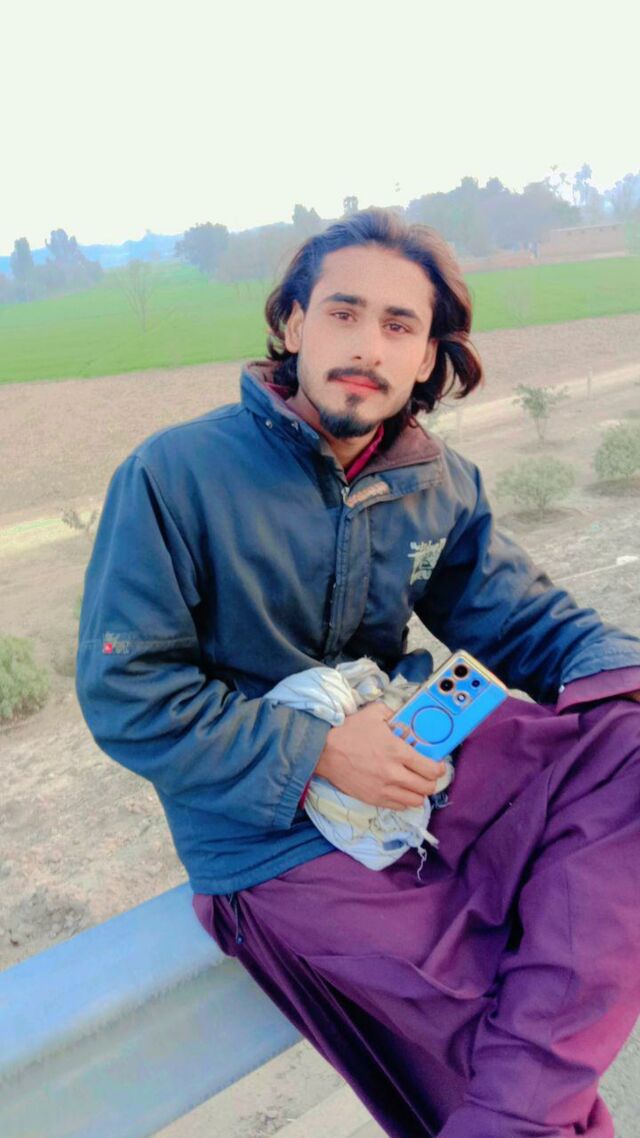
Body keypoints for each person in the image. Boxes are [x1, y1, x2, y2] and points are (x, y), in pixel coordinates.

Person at [76, 209, 640, 1137]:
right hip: (272, 836)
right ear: (294, 324)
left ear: (425, 358)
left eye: (398, 325)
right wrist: (321, 751)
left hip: (417, 765)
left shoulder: (436, 481)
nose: (366, 346)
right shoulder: (175, 476)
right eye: (343, 313)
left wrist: (615, 666)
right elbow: (128, 693)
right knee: (488, 1049)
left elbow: (522, 619)